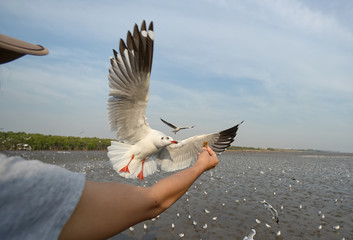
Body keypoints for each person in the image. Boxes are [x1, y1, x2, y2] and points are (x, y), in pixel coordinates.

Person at [0, 33, 219, 239]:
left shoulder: (13, 177)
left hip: (142, 161)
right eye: (168, 139)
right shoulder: (17, 180)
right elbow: (153, 203)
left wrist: (197, 146)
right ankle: (134, 162)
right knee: (141, 96)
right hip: (130, 153)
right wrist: (199, 166)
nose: (170, 140)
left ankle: (138, 164)